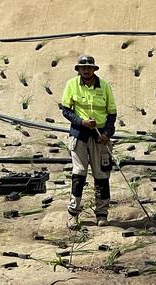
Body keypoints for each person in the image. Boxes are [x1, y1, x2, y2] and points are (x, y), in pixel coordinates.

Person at [60, 55, 117, 228]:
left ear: (94, 69)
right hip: (79, 135)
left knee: (101, 175)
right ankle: (73, 214)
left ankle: (102, 213)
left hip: (100, 138)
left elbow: (112, 114)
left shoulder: (104, 86)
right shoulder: (71, 85)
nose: (86, 70)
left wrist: (107, 133)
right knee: (79, 174)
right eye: (82, 67)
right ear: (78, 70)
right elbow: (66, 110)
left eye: (89, 67)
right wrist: (81, 122)